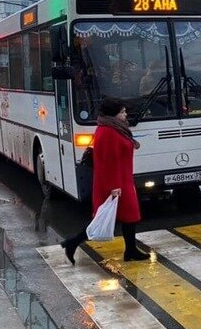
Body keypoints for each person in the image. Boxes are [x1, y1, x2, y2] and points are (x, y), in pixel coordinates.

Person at [61, 97, 150, 264]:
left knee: (129, 217)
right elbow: (109, 162)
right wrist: (114, 187)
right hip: (115, 183)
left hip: (122, 179)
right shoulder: (108, 132)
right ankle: (72, 243)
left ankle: (130, 250)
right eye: (122, 112)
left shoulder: (115, 128)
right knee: (103, 219)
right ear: (113, 115)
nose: (125, 115)